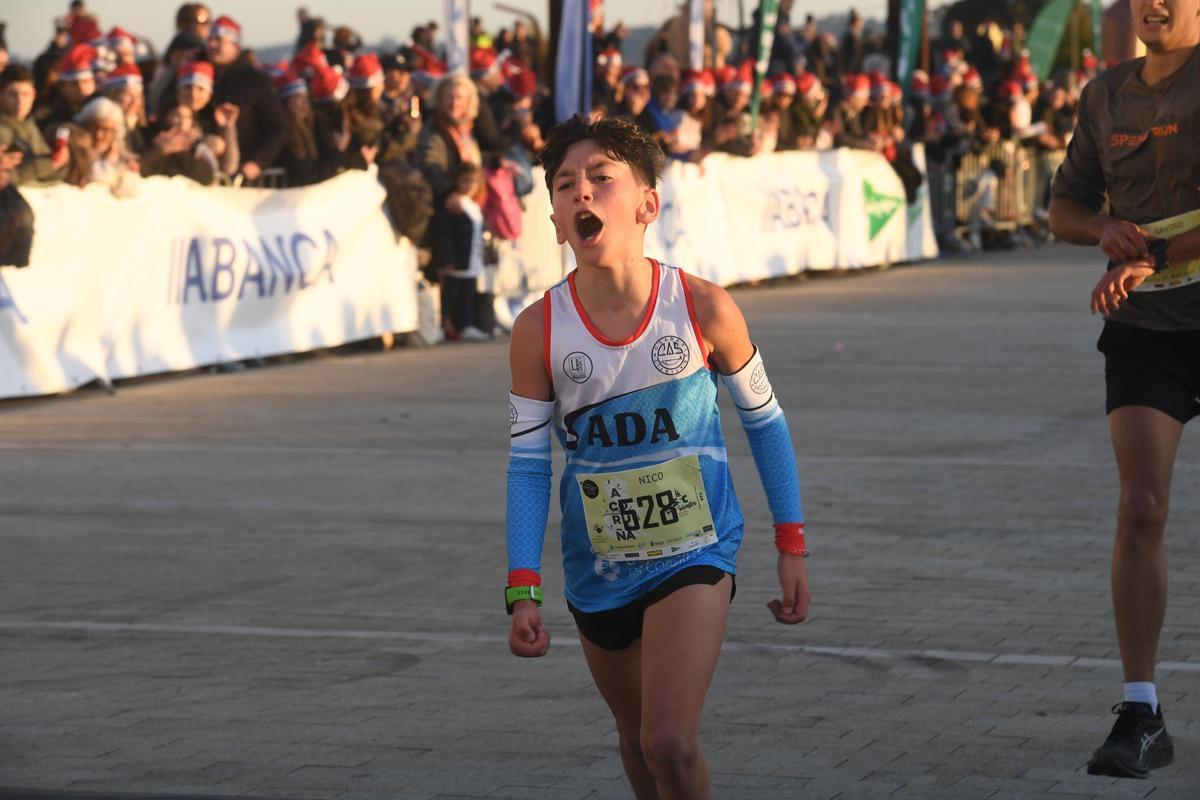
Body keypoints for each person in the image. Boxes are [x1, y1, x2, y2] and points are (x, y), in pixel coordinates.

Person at [503, 114, 811, 798]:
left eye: (601, 178)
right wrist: (522, 585)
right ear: (554, 218)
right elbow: (529, 467)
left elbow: (766, 422)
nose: (581, 193)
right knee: (637, 745)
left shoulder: (703, 306)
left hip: (695, 551)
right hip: (598, 567)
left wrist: (790, 540)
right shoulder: (537, 331)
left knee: (667, 742)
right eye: (564, 184)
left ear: (648, 204)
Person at [1047, 0, 1200, 780]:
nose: (1155, 3)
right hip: (1147, 330)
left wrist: (1158, 249)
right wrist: (1101, 230)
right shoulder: (1105, 95)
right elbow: (1061, 205)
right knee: (1141, 507)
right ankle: (1141, 712)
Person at [0, 65, 69, 185]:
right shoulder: (3, 132)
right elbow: (9, 178)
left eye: (25, 94)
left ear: (33, 95)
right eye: (13, 94)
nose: (20, 101)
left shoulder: (31, 128)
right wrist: (49, 164)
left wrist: (61, 161)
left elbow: (52, 174)